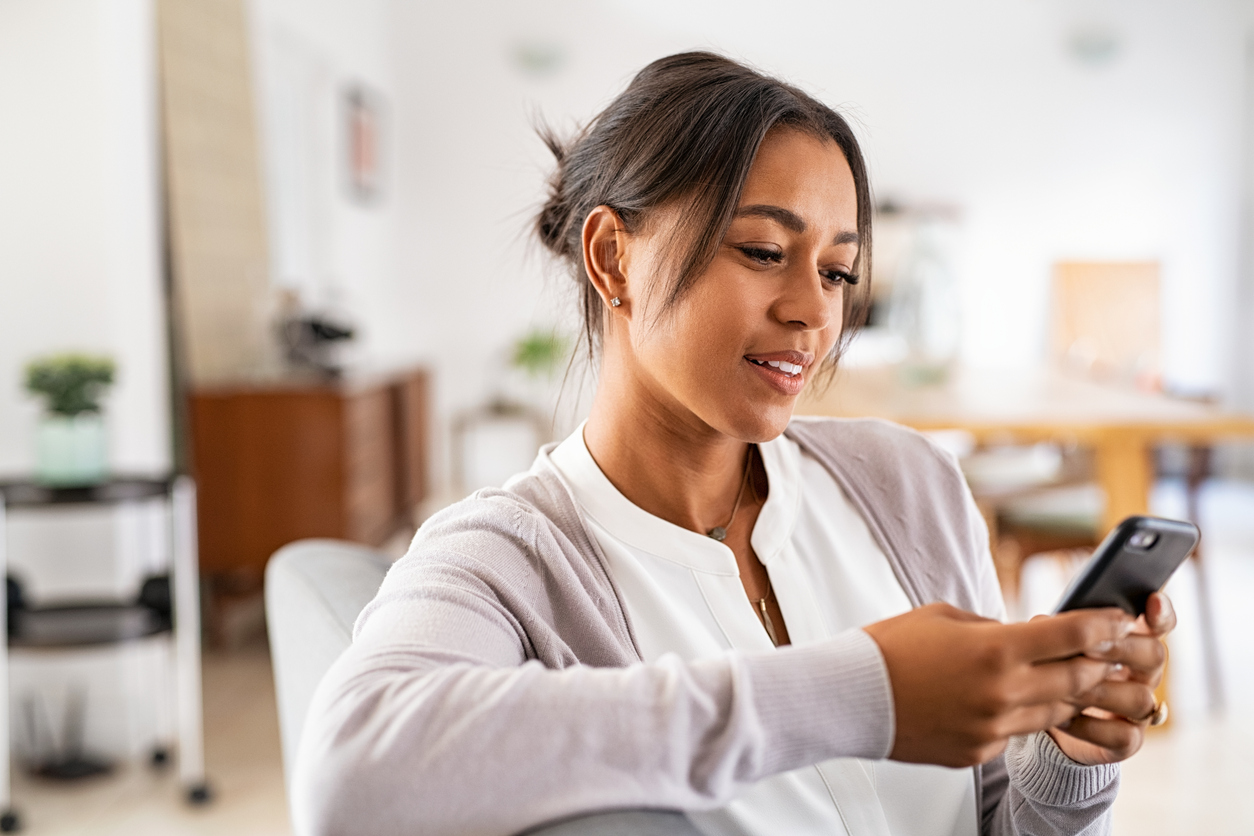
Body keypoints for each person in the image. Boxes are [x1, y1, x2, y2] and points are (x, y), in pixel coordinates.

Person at [293, 52, 1174, 836]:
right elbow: (349, 780)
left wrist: (1065, 756)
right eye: (761, 250)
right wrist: (865, 695)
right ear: (612, 259)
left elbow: (996, 822)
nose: (814, 311)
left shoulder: (910, 485)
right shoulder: (509, 558)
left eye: (837, 271)